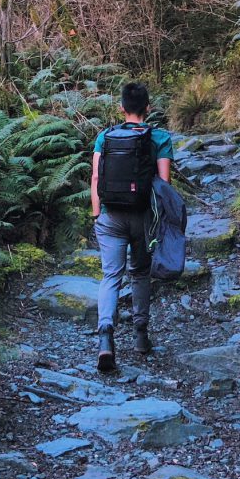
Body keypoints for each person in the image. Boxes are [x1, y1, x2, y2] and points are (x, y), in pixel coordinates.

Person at [90, 81, 173, 372]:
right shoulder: (159, 137)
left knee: (110, 276)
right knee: (139, 274)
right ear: (147, 108)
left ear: (121, 108)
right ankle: (140, 337)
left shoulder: (105, 137)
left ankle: (105, 341)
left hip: (110, 216)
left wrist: (97, 214)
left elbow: (97, 178)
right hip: (142, 217)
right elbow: (164, 184)